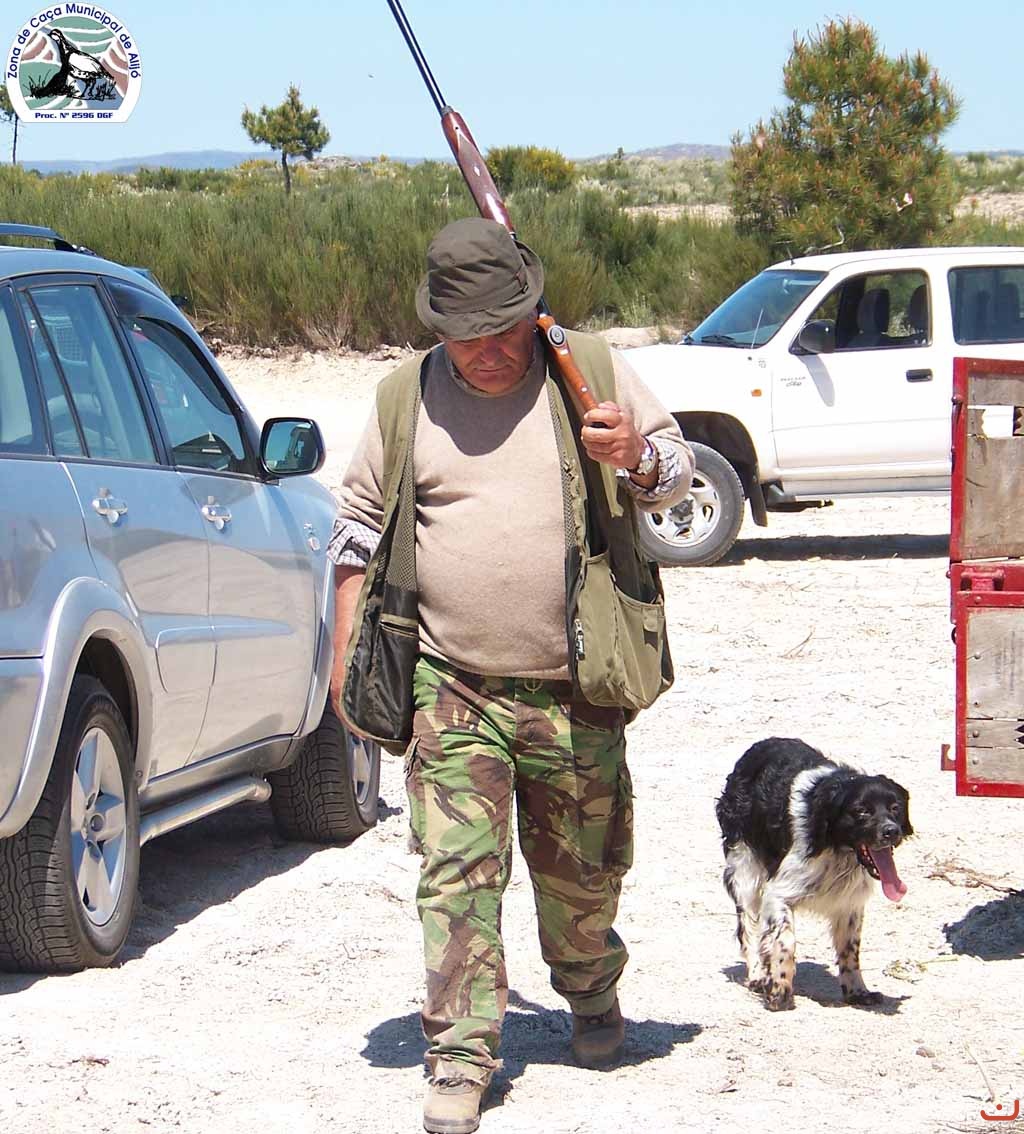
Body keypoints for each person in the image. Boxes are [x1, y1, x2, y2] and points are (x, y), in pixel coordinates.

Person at [327, 217, 693, 1134]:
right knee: (456, 874)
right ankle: (460, 1056)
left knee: (581, 879)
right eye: (466, 336)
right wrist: (343, 656)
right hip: (453, 685)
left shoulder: (589, 370)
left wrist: (635, 456)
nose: (486, 351)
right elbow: (357, 527)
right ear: (437, 327)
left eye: (502, 330)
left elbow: (677, 478)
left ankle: (590, 986)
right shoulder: (404, 398)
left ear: (532, 314)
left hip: (578, 688)